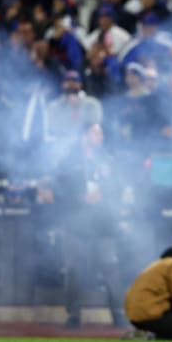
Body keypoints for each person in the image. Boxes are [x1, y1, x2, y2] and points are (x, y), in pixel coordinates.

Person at [53, 122, 126, 328]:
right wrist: (81, 198)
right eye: (96, 133)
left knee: (111, 266)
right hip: (77, 223)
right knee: (75, 268)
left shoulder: (108, 160)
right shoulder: (70, 160)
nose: (100, 137)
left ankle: (118, 313)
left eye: (101, 133)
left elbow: (118, 187)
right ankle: (74, 314)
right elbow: (59, 188)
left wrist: (105, 195)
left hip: (104, 223)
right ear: (84, 136)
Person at [124, 239, 172, 340]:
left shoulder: (161, 263)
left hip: (137, 313)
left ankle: (149, 334)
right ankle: (149, 337)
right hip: (151, 314)